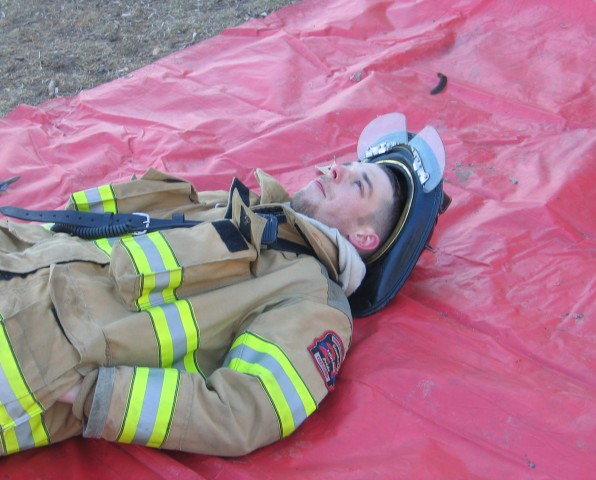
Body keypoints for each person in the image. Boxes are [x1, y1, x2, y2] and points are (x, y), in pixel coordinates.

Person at [0, 113, 447, 457]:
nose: (336, 169)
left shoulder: (314, 299)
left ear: (364, 238)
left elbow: (243, 411)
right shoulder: (243, 210)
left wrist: (90, 395)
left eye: (358, 182)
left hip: (21, 362)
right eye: (346, 164)